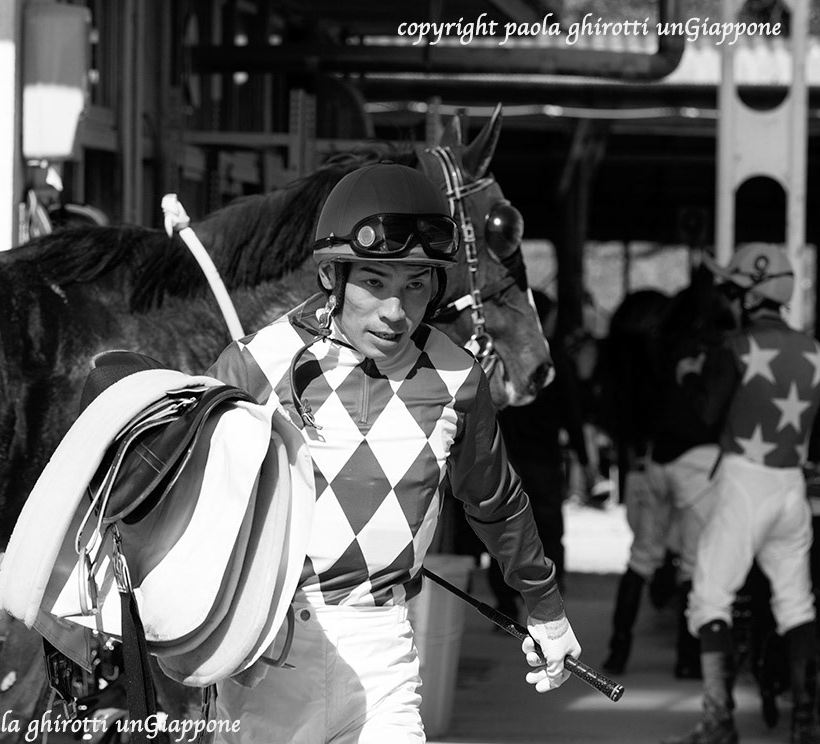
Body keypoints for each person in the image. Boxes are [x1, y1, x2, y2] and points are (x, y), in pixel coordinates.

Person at [204, 163, 581, 743]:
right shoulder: (253, 365)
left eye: (416, 284)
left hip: (384, 650)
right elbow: (193, 509)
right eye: (375, 283)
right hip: (261, 658)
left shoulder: (460, 377)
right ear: (332, 275)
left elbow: (495, 502)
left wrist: (545, 604)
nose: (395, 311)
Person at [665, 244, 820, 744]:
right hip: (792, 487)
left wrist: (691, 378)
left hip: (743, 486)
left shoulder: (735, 348)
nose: (729, 302)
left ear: (751, 296)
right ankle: (806, 722)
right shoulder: (815, 352)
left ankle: (718, 720)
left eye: (733, 292)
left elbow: (706, 416)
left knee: (710, 599)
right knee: (797, 605)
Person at [601, 269, 734, 679]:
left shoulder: (657, 343)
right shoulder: (725, 346)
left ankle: (618, 653)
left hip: (658, 457)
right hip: (700, 461)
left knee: (642, 558)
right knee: (694, 565)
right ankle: (687, 660)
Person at [488, 289, 597, 617]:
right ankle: (550, 598)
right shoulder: (552, 359)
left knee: (505, 530)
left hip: (505, 457)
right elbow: (572, 411)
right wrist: (583, 455)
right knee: (548, 528)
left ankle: (506, 602)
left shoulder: (500, 356)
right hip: (545, 458)